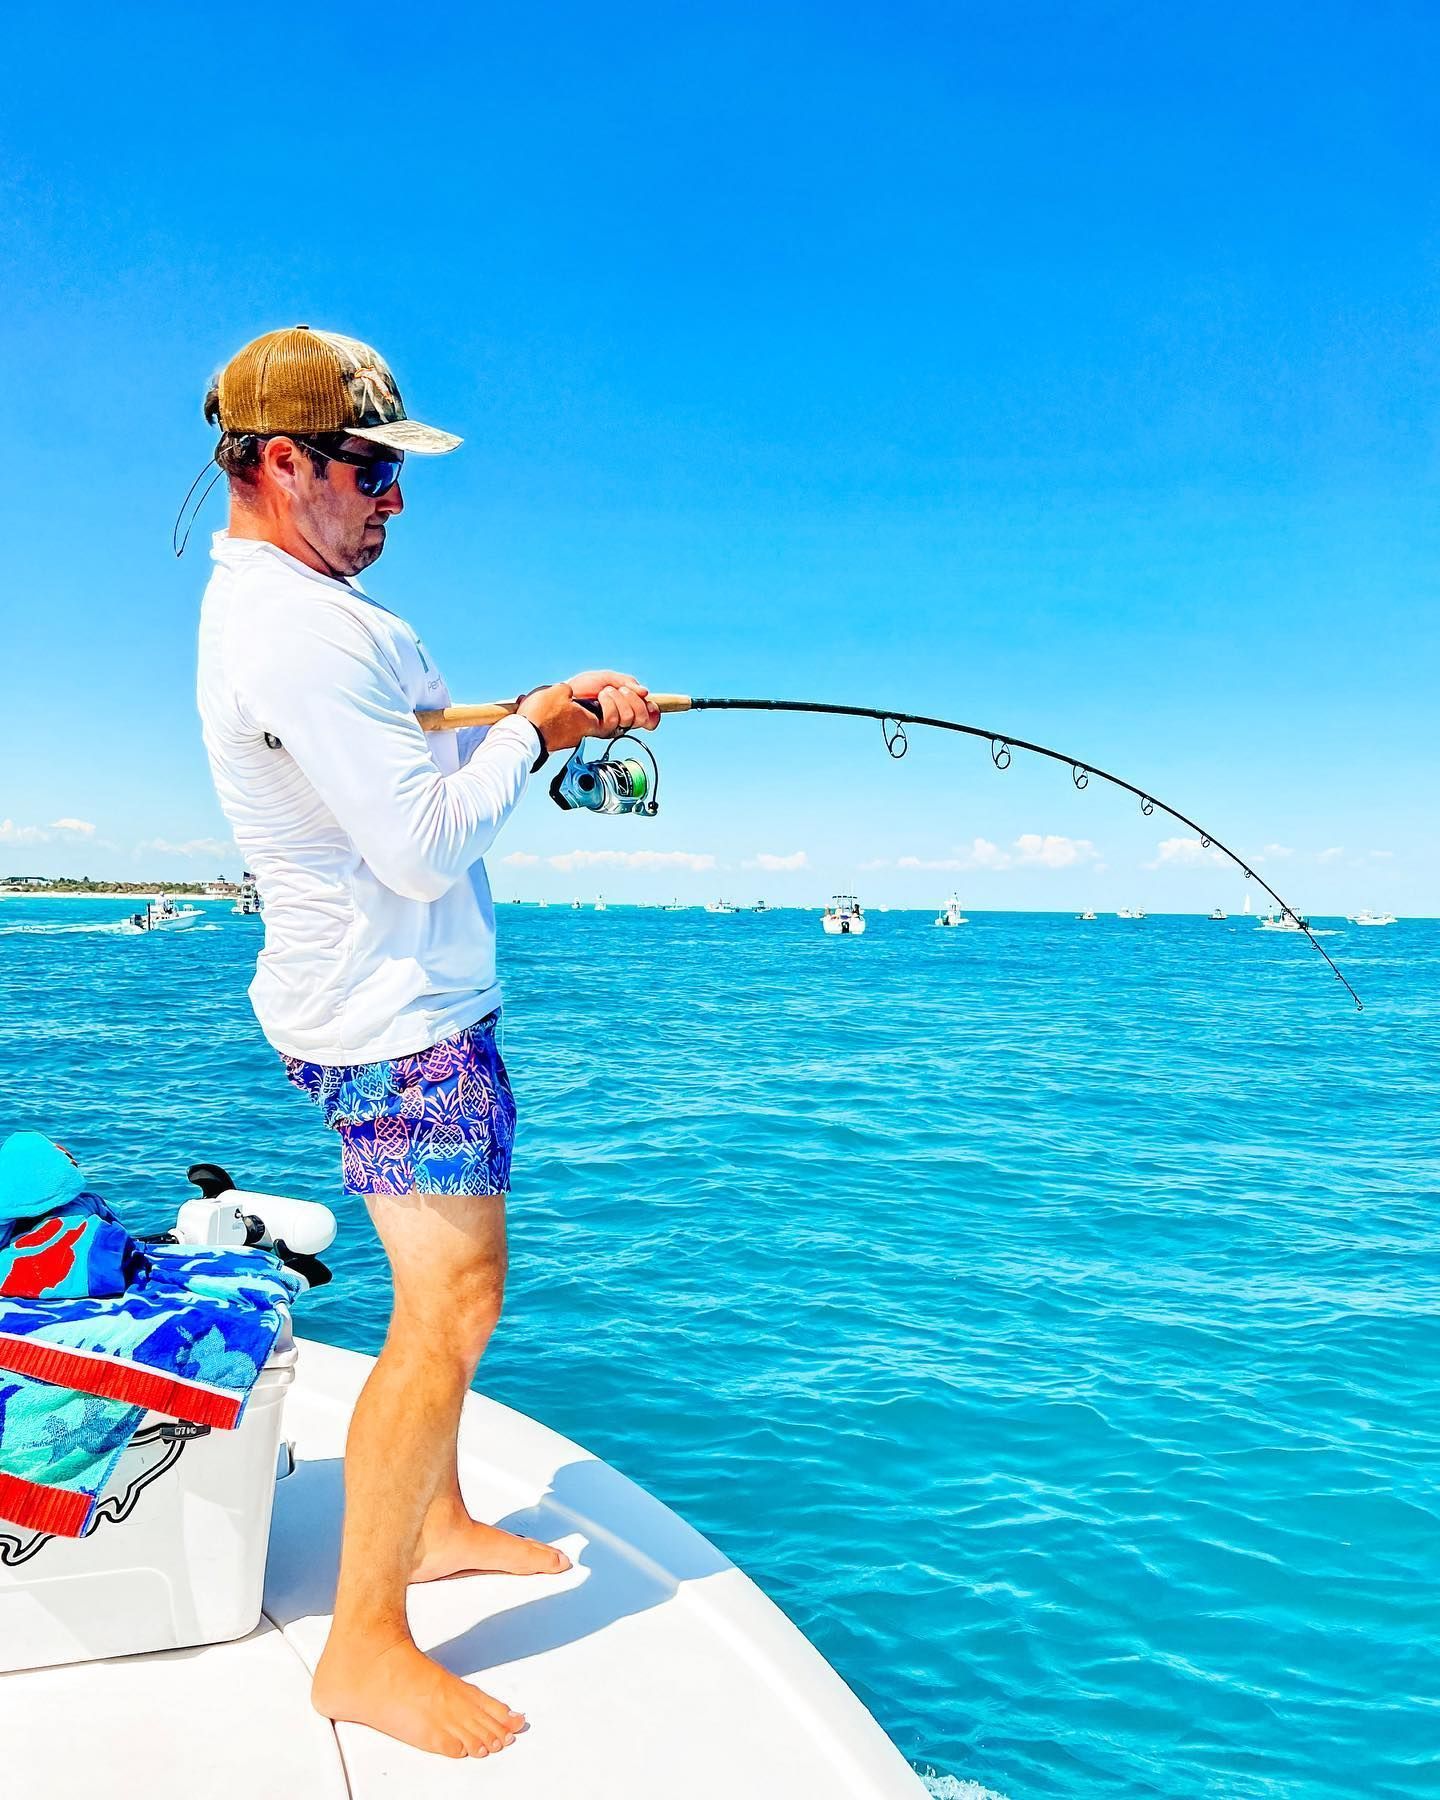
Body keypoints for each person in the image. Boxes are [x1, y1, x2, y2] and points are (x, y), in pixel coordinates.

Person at [194, 325, 658, 1760]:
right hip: (391, 1023)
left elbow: (413, 758)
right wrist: (528, 731)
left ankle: (442, 1521)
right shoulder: (295, 628)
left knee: (461, 1295)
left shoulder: (319, 616)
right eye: (369, 472)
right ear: (282, 463)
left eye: (399, 475)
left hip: (416, 1005)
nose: (395, 501)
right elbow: (413, 846)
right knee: (447, 1309)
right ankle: (366, 1649)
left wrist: (533, 716)